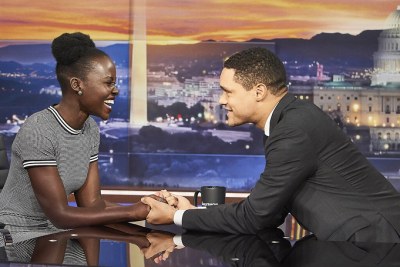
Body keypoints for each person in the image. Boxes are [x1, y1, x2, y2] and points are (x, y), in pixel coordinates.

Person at [142, 47, 400, 242]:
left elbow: (257, 215)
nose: (221, 101)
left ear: (258, 91)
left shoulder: (292, 129)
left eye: (228, 91)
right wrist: (193, 212)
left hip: (378, 245)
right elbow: (270, 211)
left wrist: (177, 217)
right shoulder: (287, 121)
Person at [0, 32, 150, 229]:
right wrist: (135, 212)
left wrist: (146, 207)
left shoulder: (90, 129)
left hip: (56, 234)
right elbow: (61, 216)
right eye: (108, 82)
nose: (116, 90)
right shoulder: (39, 130)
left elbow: (92, 205)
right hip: (18, 237)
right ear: (77, 85)